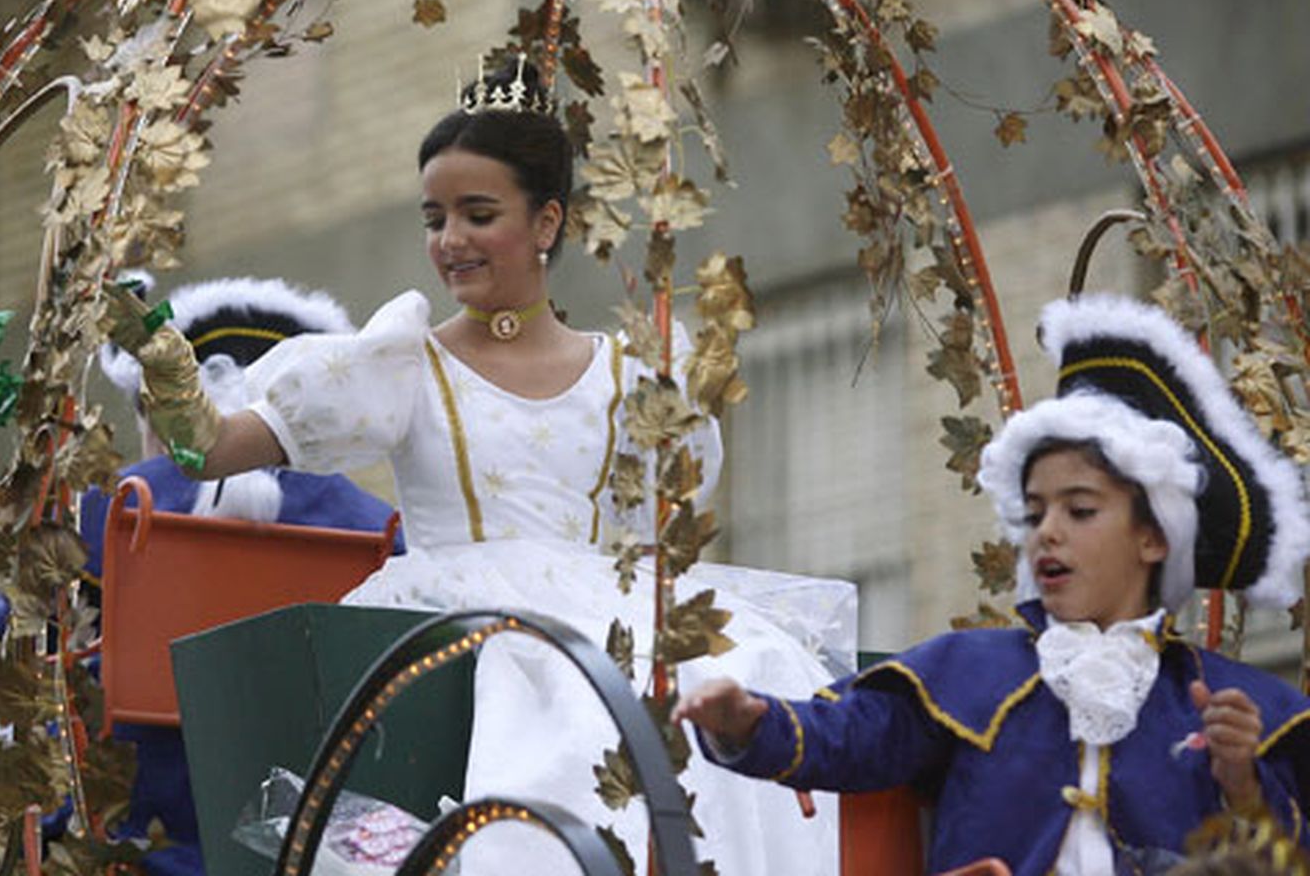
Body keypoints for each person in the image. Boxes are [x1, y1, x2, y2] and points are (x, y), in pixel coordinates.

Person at [105, 56, 850, 875]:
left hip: (614, 615)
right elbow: (210, 450)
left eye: (478, 213)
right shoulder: (402, 362)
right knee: (552, 714)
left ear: (546, 222)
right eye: (435, 217)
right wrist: (168, 371)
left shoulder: (636, 373)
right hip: (458, 625)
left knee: (736, 677)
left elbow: (669, 524)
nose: (450, 240)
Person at [676, 293, 1310, 876]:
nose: (1048, 534)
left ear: (1154, 538)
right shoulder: (968, 672)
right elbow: (850, 735)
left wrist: (1243, 784)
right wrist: (751, 723)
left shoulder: (1233, 705)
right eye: (1034, 514)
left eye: (1080, 510)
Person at [0, 275, 397, 876]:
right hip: (315, 844)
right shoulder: (380, 530)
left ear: (163, 407)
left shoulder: (103, 512)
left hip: (128, 841)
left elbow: (9, 673)